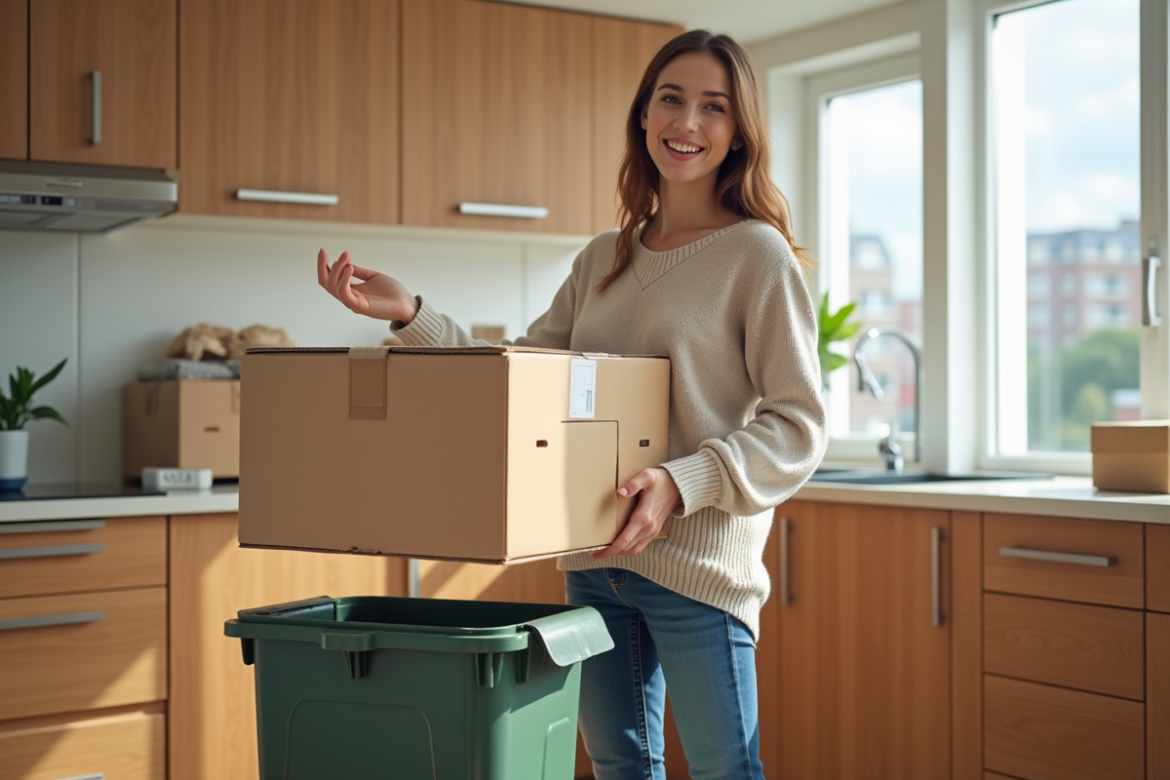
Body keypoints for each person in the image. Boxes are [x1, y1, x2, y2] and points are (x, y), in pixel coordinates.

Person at [317, 29, 826, 780]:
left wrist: (681, 483)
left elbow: (799, 423)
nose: (688, 123)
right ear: (644, 117)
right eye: (671, 100)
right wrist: (409, 314)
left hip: (699, 570)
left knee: (727, 771)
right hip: (594, 564)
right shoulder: (603, 258)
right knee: (621, 767)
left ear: (738, 131)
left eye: (713, 108)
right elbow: (517, 378)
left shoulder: (757, 256)